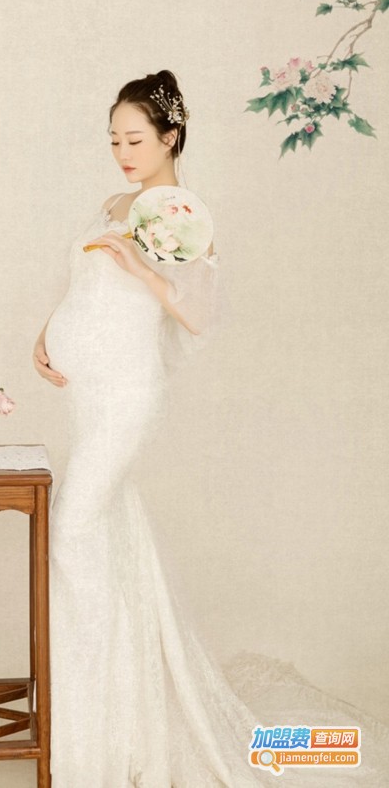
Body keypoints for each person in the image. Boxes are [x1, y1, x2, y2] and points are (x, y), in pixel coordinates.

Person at [32, 70, 389, 787]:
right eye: (113, 140)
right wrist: (46, 334)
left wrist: (142, 267)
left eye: (135, 139)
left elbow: (199, 313)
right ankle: (115, 720)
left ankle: (105, 724)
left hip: (126, 397)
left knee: (71, 530)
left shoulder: (180, 213)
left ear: (170, 137)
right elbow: (85, 286)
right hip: (86, 395)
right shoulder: (114, 204)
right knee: (107, 536)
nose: (122, 153)